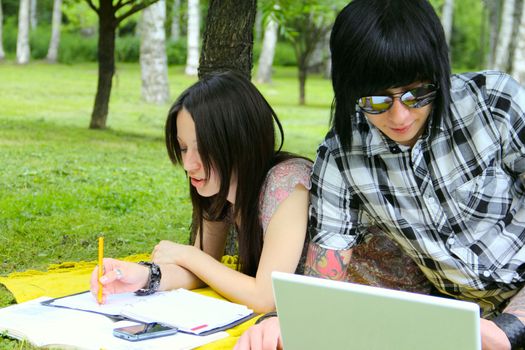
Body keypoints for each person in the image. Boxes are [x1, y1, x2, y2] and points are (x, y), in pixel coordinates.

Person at [235, 0, 525, 349]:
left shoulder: (495, 105)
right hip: (464, 323)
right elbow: (325, 277)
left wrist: (513, 323)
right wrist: (281, 321)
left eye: (417, 93)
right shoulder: (343, 158)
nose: (400, 117)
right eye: (376, 101)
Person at [90, 71, 312, 313]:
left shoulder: (288, 182)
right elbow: (202, 270)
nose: (188, 164)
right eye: (183, 148)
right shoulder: (218, 187)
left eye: (203, 148)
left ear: (240, 141)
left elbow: (265, 297)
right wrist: (142, 276)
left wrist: (188, 255)